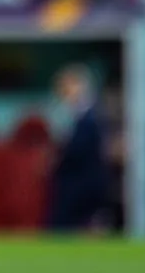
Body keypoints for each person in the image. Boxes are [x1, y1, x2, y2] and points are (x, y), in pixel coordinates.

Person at [46, 65, 109, 231]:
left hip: (83, 182)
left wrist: (56, 159)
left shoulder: (93, 116)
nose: (63, 92)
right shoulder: (67, 115)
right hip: (72, 182)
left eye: (67, 87)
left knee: (71, 225)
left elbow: (79, 149)